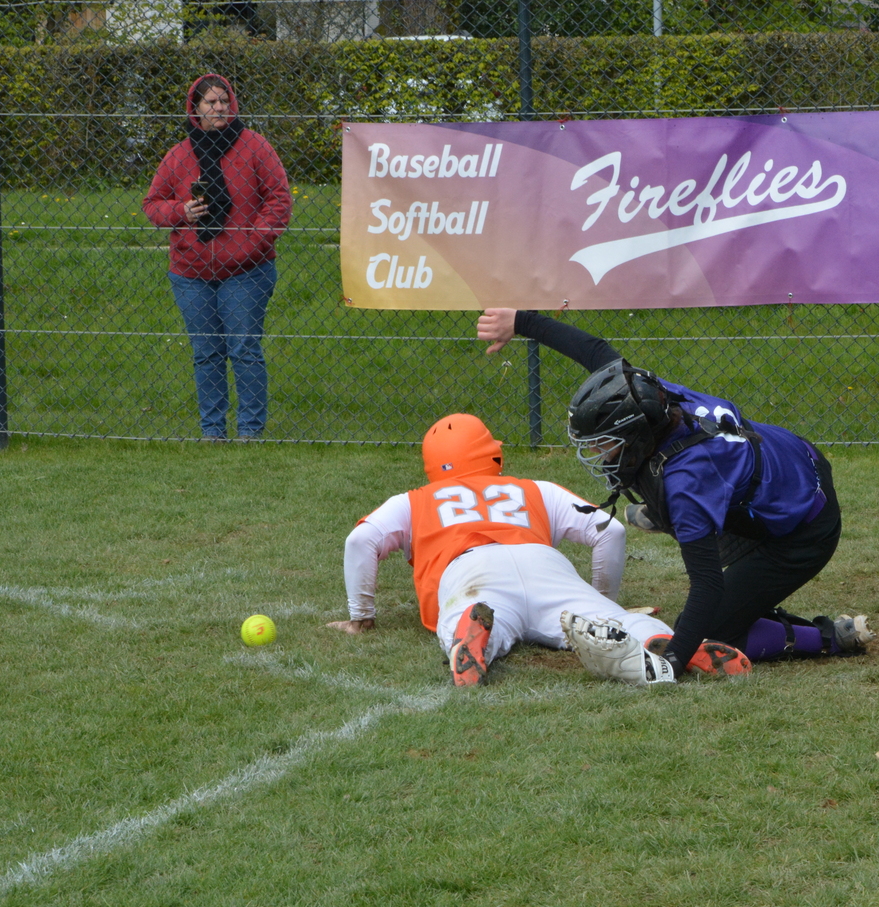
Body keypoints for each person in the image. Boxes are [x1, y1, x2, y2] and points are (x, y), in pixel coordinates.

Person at [474, 309, 876, 677]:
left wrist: (672, 662)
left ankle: (830, 638)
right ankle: (668, 517)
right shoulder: (646, 395)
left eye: (605, 442)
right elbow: (593, 350)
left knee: (709, 634)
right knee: (686, 520)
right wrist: (521, 321)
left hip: (804, 528)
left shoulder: (688, 485)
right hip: (789, 461)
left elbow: (706, 586)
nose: (597, 451)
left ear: (635, 433)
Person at [325, 413, 750, 686]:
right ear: (491, 454)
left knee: (474, 617)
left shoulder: (413, 501)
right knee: (606, 621)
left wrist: (362, 617)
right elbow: (611, 531)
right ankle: (661, 639)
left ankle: (472, 635)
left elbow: (360, 541)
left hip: (470, 571)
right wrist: (602, 597)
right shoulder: (534, 488)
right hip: (545, 563)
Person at [143, 73, 291, 442]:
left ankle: (250, 431)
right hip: (190, 273)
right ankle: (212, 431)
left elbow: (278, 199)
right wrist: (180, 211)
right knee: (206, 352)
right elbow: (152, 204)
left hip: (247, 270)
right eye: (210, 102)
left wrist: (252, 242)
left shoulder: (255, 147)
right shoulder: (178, 155)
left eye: (224, 100)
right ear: (195, 108)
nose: (219, 107)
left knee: (244, 349)